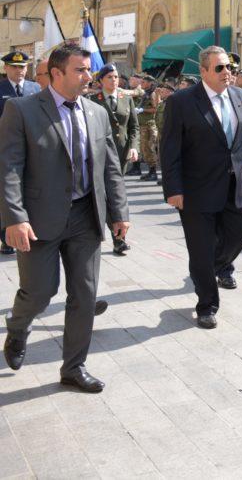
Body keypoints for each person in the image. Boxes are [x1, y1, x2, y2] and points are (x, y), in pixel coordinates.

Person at [1, 44, 129, 392]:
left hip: (85, 216)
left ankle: (74, 367)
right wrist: (14, 217)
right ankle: (17, 329)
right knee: (41, 291)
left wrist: (119, 213)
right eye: (81, 70)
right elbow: (9, 167)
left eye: (89, 70)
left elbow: (110, 168)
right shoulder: (22, 110)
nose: (90, 77)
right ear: (56, 73)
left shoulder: (97, 113)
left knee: (85, 295)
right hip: (38, 219)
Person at [159, 46, 242, 329]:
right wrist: (173, 189)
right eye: (220, 68)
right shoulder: (182, 102)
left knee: (241, 232)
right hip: (196, 190)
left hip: (236, 186)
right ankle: (206, 304)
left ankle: (211, 267)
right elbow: (169, 149)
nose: (227, 73)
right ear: (203, 71)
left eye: (229, 67)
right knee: (201, 249)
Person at [88, 64, 140, 256]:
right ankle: (118, 238)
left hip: (121, 154)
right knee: (107, 196)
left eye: (116, 76)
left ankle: (119, 238)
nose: (114, 80)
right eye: (109, 77)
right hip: (100, 155)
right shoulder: (93, 100)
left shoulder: (126, 99)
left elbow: (134, 127)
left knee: (117, 195)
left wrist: (134, 147)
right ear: (100, 80)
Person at [0, 51, 43, 255]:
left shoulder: (35, 88)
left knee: (28, 189)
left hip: (31, 148)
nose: (19, 71)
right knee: (7, 191)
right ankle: (6, 237)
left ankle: (27, 228)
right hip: (5, 148)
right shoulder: (0, 89)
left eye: (23, 67)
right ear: (6, 68)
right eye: (15, 67)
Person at [136, 75, 160, 181]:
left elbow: (156, 109)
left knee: (150, 148)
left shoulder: (153, 93)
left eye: (144, 82)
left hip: (150, 125)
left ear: (150, 83)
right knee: (144, 149)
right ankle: (150, 171)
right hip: (144, 125)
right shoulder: (146, 93)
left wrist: (142, 110)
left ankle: (153, 172)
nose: (141, 84)